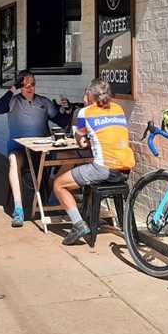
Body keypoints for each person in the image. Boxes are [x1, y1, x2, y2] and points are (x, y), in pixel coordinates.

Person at [51, 78, 136, 245]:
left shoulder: (85, 112)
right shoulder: (118, 109)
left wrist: (84, 109)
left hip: (103, 169)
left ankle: (78, 225)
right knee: (87, 176)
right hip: (125, 169)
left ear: (90, 95)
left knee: (59, 184)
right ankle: (89, 216)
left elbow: (80, 141)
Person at [0, 70, 69, 227]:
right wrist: (14, 87)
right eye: (25, 84)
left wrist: (67, 109)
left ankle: (53, 187)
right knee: (14, 160)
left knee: (69, 155)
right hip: (20, 149)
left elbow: (61, 121)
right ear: (20, 85)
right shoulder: (13, 101)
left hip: (43, 150)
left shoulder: (43, 102)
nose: (29, 87)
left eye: (32, 84)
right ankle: (19, 208)